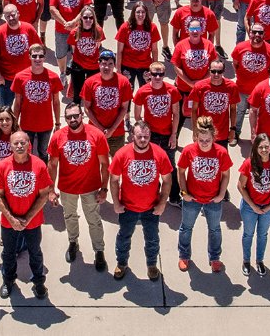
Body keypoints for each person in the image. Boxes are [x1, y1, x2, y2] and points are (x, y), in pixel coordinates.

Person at [0, 131, 54, 299]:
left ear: (29, 145)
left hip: (32, 222)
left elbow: (44, 194)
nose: (19, 146)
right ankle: (8, 280)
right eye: (15, 143)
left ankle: (39, 282)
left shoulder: (39, 165)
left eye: (22, 143)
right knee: (8, 253)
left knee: (35, 252)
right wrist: (11, 218)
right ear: (10, 146)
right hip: (8, 221)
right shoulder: (3, 166)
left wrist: (27, 218)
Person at [49, 103, 111, 272]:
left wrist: (104, 189)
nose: (72, 119)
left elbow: (105, 164)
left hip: (91, 188)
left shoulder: (96, 135)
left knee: (94, 221)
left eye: (75, 115)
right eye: (68, 117)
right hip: (67, 188)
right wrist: (51, 189)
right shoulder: (58, 137)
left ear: (82, 115)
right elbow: (52, 165)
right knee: (70, 216)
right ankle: (73, 242)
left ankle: (99, 251)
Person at [109, 121, 173, 282]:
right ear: (132, 137)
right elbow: (114, 180)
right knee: (124, 237)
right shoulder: (122, 154)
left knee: (152, 238)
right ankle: (121, 263)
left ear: (150, 136)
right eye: (139, 136)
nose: (143, 140)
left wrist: (162, 203)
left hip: (151, 208)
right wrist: (116, 203)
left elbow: (167, 180)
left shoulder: (160, 154)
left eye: (146, 136)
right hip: (127, 207)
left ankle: (152, 265)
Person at [176, 118, 231, 273]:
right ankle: (184, 255)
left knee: (214, 229)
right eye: (201, 140)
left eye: (207, 140)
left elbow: (226, 174)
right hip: (192, 199)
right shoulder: (188, 151)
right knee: (186, 228)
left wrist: (221, 194)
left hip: (213, 200)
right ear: (196, 137)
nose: (204, 143)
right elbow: (180, 171)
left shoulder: (221, 152)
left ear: (214, 137)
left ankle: (214, 258)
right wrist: (184, 192)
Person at [237, 134, 270, 278]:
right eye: (261, 147)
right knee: (248, 234)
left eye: (266, 146)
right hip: (250, 207)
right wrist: (253, 206)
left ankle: (259, 261)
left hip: (268, 208)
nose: (264, 149)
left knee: (262, 235)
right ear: (255, 148)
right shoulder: (249, 163)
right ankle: (246, 261)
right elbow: (240, 186)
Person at [11, 44, 62, 160]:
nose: (37, 59)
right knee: (25, 153)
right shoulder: (20, 77)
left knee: (43, 152)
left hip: (46, 124)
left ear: (44, 57)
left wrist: (58, 123)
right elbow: (17, 103)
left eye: (40, 56)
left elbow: (56, 102)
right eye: (34, 56)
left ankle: (42, 175)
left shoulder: (53, 77)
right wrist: (15, 122)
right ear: (29, 57)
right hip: (26, 124)